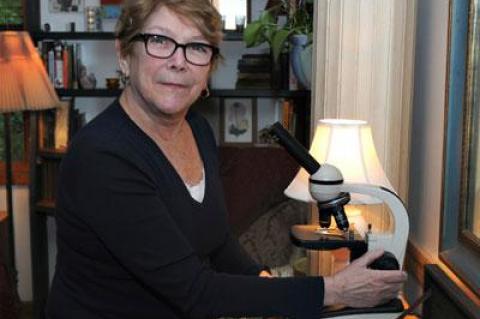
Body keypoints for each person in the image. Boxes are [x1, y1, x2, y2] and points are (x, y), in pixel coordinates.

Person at [46, 0, 407, 318]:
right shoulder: (103, 156)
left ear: (208, 70)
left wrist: (262, 282)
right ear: (124, 55)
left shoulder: (199, 130)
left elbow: (218, 243)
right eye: (159, 41)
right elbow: (194, 291)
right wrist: (335, 290)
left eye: (197, 47)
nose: (178, 62)